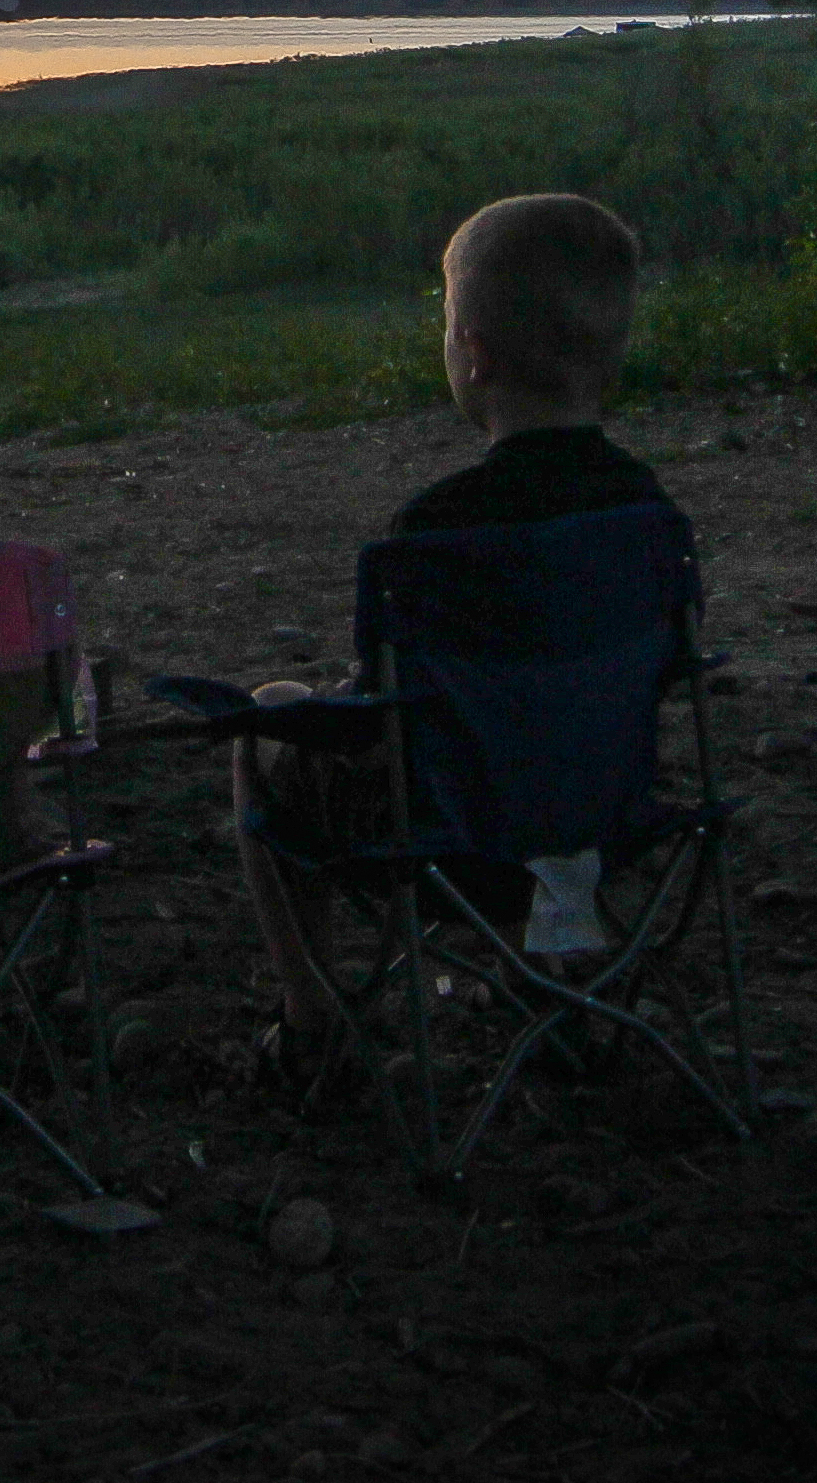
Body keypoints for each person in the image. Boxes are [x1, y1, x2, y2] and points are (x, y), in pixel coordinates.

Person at [234, 191, 672, 1054]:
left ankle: (311, 1017)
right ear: (611, 353)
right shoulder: (647, 515)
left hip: (449, 836)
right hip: (608, 816)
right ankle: (546, 971)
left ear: (472, 354)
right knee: (531, 723)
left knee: (266, 722)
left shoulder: (436, 532)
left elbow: (385, 715)